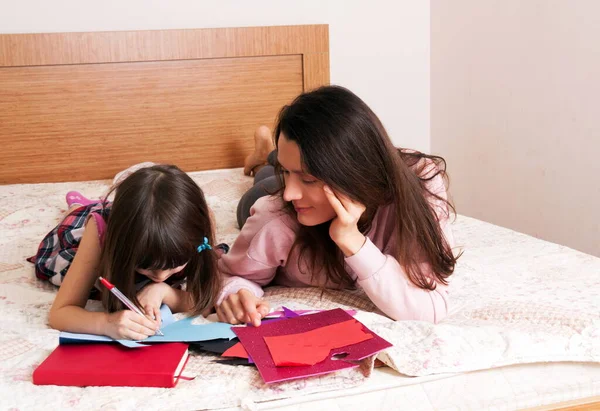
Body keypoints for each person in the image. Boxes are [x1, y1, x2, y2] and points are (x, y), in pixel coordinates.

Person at [216, 85, 459, 326]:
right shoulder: (274, 214)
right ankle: (269, 158)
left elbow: (429, 308)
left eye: (309, 179)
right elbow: (231, 275)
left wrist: (353, 241)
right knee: (263, 183)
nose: (290, 193)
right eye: (286, 171)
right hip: (267, 192)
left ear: (354, 172)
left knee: (281, 171)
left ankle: (270, 156)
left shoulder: (418, 186)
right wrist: (237, 292)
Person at [29, 164, 220, 340]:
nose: (160, 276)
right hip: (86, 234)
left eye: (174, 265)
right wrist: (106, 323)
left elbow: (208, 301)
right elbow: (60, 313)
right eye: (146, 267)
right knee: (79, 218)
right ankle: (78, 206)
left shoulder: (197, 226)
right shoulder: (99, 235)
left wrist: (165, 292)